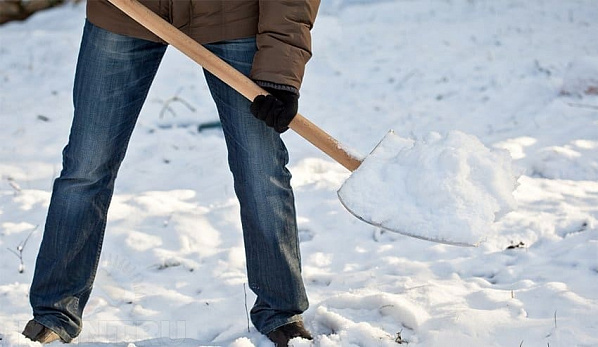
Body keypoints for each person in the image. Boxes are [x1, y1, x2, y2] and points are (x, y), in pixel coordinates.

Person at [21, 1, 320, 346]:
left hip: (233, 13)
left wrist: (280, 70)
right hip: (125, 9)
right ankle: (53, 312)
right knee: (86, 166)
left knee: (260, 168)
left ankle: (282, 311)